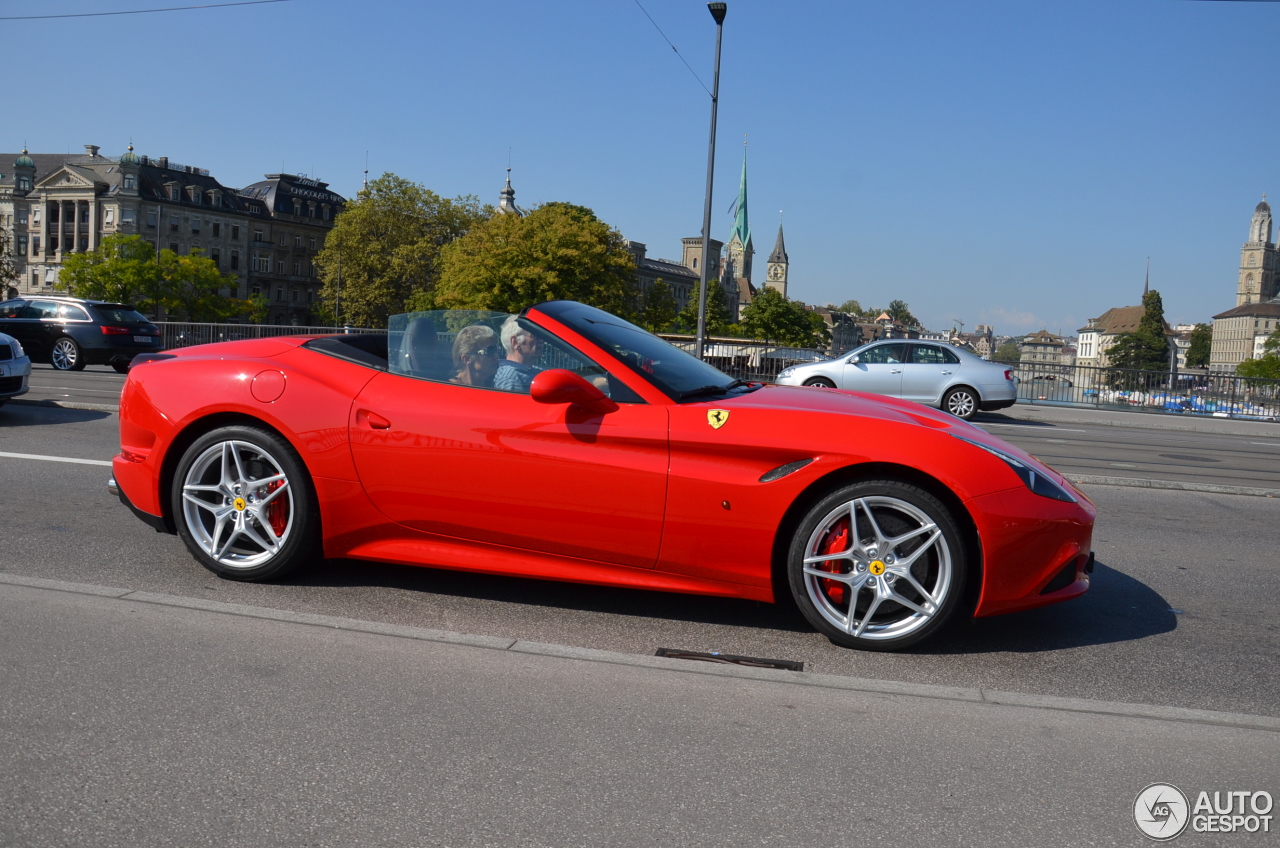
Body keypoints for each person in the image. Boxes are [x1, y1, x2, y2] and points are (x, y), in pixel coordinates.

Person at [493, 315, 544, 394]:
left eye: (541, 335)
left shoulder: (527, 369)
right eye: (535, 336)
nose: (542, 340)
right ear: (515, 342)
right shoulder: (511, 379)